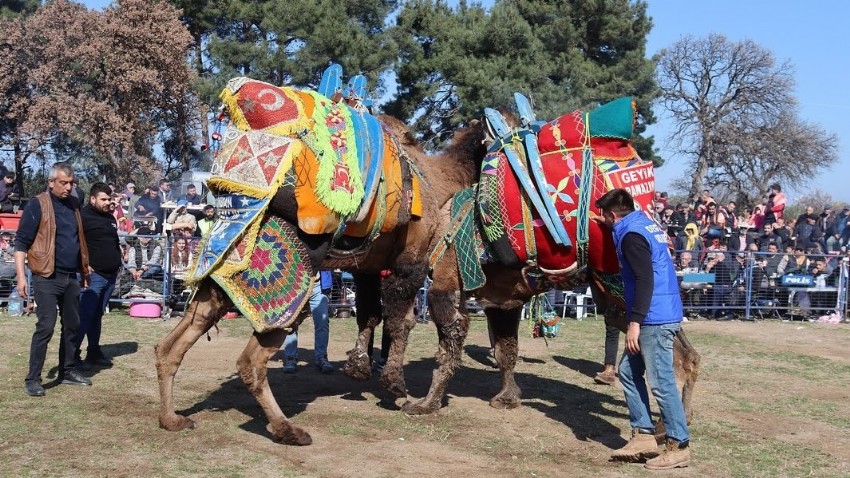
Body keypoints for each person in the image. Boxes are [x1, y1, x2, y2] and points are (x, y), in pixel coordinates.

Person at [595, 188, 690, 470]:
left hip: (654, 317)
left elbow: (644, 279)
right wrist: (606, 224)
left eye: (605, 216)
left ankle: (679, 446)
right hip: (658, 311)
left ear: (613, 215)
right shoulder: (642, 223)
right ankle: (644, 435)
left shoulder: (632, 237)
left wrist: (634, 323)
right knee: (627, 371)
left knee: (660, 382)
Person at [16, 162, 92, 397]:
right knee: (45, 327)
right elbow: (21, 243)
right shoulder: (37, 204)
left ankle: (67, 370)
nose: (68, 188)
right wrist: (21, 276)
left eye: (71, 183)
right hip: (46, 277)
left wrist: (84, 269)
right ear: (51, 182)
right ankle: (33, 379)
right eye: (63, 183)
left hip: (71, 277)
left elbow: (77, 239)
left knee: (72, 326)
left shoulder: (74, 205)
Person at [75, 182, 122, 371]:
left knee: (97, 316)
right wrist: (84, 267)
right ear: (93, 199)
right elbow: (76, 244)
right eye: (103, 199)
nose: (107, 202)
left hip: (111, 275)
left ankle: (93, 352)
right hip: (93, 276)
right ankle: (72, 355)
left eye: (109, 199)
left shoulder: (110, 218)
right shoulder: (82, 218)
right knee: (85, 316)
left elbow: (114, 242)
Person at [282, 271, 334, 374]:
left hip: (318, 286)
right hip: (295, 284)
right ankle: (291, 358)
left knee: (322, 322)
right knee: (291, 323)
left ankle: (321, 357)